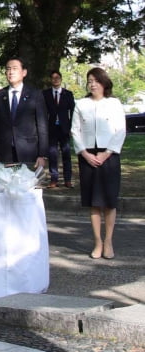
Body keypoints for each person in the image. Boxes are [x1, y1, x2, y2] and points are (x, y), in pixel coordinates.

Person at [71, 67, 126, 260]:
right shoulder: (82, 104)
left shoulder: (114, 103)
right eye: (89, 80)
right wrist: (84, 153)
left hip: (109, 155)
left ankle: (109, 241)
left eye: (96, 80)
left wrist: (107, 152)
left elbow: (120, 130)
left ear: (104, 83)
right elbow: (75, 131)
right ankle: (97, 242)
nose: (92, 84)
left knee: (109, 201)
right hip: (87, 155)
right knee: (93, 202)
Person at [0, 57, 48, 170]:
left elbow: (42, 126)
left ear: (24, 72)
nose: (11, 72)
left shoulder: (35, 95)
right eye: (8, 69)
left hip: (29, 151)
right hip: (4, 152)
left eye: (15, 68)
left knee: (27, 185)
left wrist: (42, 155)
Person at [43, 70, 75, 188]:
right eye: (53, 78)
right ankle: (54, 179)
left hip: (64, 128)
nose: (55, 80)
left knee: (66, 153)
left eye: (57, 78)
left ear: (61, 79)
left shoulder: (68, 94)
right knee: (52, 154)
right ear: (51, 80)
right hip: (51, 128)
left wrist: (71, 126)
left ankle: (67, 179)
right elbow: (42, 112)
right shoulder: (45, 94)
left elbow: (73, 112)